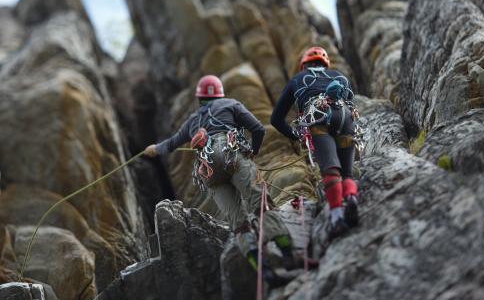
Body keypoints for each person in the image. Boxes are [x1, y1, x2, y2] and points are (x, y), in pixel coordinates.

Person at [144, 74, 295, 281]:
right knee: (260, 203)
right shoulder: (230, 104)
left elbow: (170, 144)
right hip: (232, 156)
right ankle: (288, 255)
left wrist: (153, 149)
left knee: (238, 222)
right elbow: (258, 129)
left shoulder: (192, 121)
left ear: (199, 98)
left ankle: (264, 271)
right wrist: (253, 151)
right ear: (219, 93)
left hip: (209, 170)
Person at [270, 46, 359, 239]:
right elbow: (352, 102)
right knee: (347, 171)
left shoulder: (297, 79)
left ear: (304, 65)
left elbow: (275, 119)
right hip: (345, 117)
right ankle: (351, 197)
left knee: (330, 169)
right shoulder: (340, 76)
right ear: (325, 63)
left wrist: (295, 134)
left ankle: (336, 218)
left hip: (318, 118)